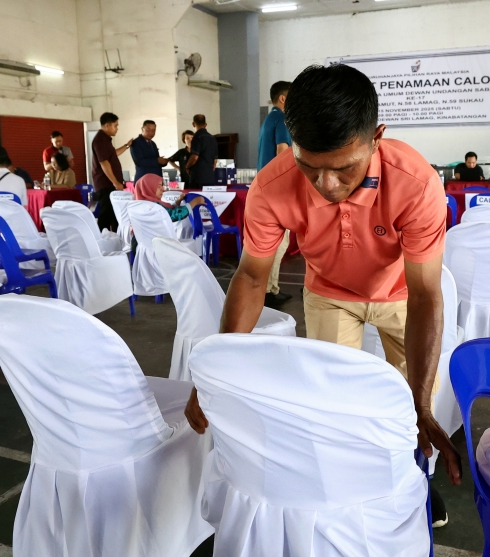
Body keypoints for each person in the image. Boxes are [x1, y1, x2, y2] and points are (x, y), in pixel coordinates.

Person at [183, 63, 462, 527]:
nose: (327, 186)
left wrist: (421, 402)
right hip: (330, 293)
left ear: (377, 136)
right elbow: (252, 278)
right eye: (309, 167)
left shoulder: (415, 183)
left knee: (412, 404)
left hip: (400, 295)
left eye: (344, 168)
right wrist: (213, 372)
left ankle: (418, 477)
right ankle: (344, 486)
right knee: (333, 406)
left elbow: (426, 294)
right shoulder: (272, 188)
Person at [257, 80, 294, 309]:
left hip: (265, 187)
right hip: (278, 189)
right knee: (280, 241)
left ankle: (270, 288)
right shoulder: (282, 118)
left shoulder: (269, 119)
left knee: (272, 241)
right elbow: (283, 152)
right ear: (283, 98)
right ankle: (269, 290)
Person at [91, 112, 133, 232]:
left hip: (109, 185)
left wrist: (127, 145)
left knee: (114, 215)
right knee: (106, 215)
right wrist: (115, 182)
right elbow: (104, 163)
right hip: (106, 185)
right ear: (107, 126)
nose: (117, 129)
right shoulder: (100, 140)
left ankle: (115, 239)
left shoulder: (106, 140)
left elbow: (113, 154)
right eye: (115, 126)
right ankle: (103, 241)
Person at [186, 114, 217, 188]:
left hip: (198, 177)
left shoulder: (197, 137)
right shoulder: (212, 138)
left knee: (197, 197)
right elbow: (215, 161)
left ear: (193, 124)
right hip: (210, 177)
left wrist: (187, 166)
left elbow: (194, 157)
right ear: (206, 124)